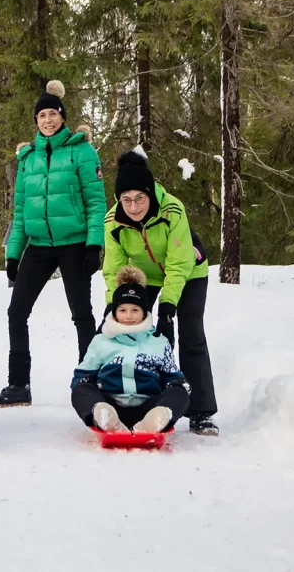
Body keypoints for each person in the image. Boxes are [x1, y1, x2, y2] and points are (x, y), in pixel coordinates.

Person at [0, 80, 107, 408]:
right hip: (38, 246)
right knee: (16, 312)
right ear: (36, 121)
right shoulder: (28, 159)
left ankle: (89, 381)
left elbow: (96, 202)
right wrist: (13, 252)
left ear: (63, 118)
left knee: (82, 313)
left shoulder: (82, 151)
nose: (48, 120)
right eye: (42, 116)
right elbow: (21, 211)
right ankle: (18, 385)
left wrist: (94, 245)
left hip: (74, 243)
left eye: (53, 114)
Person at [102, 150, 218, 435]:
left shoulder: (172, 210)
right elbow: (113, 268)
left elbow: (178, 264)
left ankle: (201, 411)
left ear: (150, 194)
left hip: (189, 272)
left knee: (190, 335)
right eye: (126, 199)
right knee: (138, 334)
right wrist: (111, 306)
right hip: (148, 277)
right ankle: (148, 401)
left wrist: (167, 307)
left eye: (139, 198)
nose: (133, 206)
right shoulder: (113, 221)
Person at [71, 267, 189, 433]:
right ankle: (103, 416)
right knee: (81, 389)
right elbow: (81, 377)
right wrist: (90, 394)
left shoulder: (159, 343)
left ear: (143, 313)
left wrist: (173, 391)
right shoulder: (101, 341)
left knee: (180, 391)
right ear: (115, 312)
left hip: (148, 407)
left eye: (135, 310)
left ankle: (157, 419)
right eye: (123, 310)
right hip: (110, 403)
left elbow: (173, 379)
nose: (128, 316)